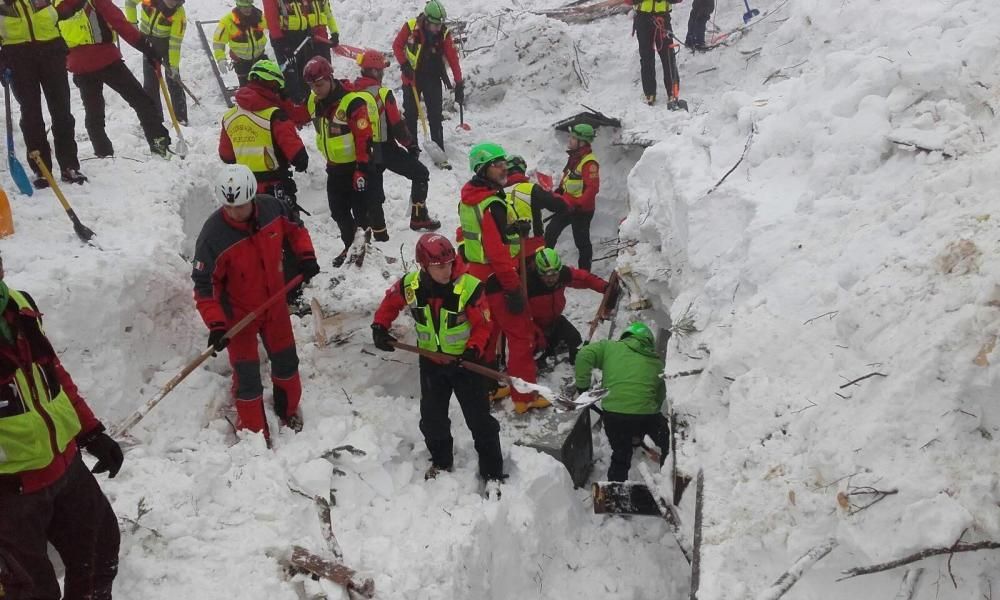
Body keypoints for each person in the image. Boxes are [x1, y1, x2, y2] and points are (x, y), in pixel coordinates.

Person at [0, 251, 124, 599]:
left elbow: (53, 374)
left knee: (100, 553)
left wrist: (91, 431)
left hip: (66, 468)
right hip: (12, 494)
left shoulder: (19, 305)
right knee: (32, 591)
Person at [191, 164, 320, 439]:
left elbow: (296, 230)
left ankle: (288, 411)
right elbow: (204, 287)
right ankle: (253, 432)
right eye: (229, 207)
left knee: (286, 362)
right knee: (247, 377)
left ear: (252, 197)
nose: (236, 212)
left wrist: (306, 256)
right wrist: (216, 324)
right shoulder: (212, 237)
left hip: (273, 303)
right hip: (238, 316)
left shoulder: (273, 208)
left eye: (241, 206)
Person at [371, 234, 504, 484]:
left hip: (466, 365)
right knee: (432, 419)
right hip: (431, 363)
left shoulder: (470, 287)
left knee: (480, 421)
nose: (447, 270)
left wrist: (473, 350)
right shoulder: (411, 285)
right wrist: (379, 326)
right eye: (439, 266)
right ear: (424, 266)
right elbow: (391, 302)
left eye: (450, 264)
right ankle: (441, 461)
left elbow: (484, 325)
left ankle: (493, 472)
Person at [459, 142, 549, 414]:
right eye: (497, 164)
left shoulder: (470, 197)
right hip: (499, 279)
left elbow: (480, 238)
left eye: (503, 163)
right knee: (521, 337)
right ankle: (524, 396)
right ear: (483, 169)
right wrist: (512, 288)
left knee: (489, 334)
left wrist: (512, 229)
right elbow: (497, 252)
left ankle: (487, 388)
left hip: (478, 279)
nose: (504, 168)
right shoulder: (492, 204)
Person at [219, 59, 309, 304]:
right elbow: (299, 157)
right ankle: (293, 296)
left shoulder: (230, 117)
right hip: (274, 190)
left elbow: (226, 155)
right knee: (288, 239)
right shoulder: (274, 116)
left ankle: (255, 290)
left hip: (243, 195)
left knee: (250, 243)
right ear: (273, 85)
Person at [57, 0, 171, 159]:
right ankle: (160, 145)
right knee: (140, 100)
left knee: (93, 111)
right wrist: (146, 47)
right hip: (105, 59)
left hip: (79, 65)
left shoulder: (55, 5)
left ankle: (103, 152)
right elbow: (119, 23)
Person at [303, 56, 387, 265]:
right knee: (338, 211)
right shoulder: (317, 102)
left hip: (355, 167)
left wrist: (361, 168)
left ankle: (364, 250)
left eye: (320, 85)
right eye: (312, 86)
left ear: (330, 79)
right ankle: (350, 246)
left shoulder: (352, 102)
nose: (316, 90)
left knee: (361, 213)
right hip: (334, 168)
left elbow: (363, 137)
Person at [0, 0, 87, 187]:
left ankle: (69, 165)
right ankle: (41, 169)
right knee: (31, 114)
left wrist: (59, 12)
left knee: (62, 110)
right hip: (17, 56)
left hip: (51, 50)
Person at [352, 49, 441, 232]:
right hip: (385, 148)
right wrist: (411, 145)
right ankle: (419, 217)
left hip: (363, 150)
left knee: (374, 192)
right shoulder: (383, 94)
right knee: (420, 173)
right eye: (381, 71)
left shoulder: (351, 93)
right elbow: (397, 125)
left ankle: (378, 231)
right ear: (376, 71)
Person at [575, 321, 668, 481]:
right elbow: (659, 397)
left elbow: (584, 354)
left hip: (614, 416)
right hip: (645, 415)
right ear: (648, 342)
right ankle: (668, 475)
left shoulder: (609, 348)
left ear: (626, 336)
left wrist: (582, 387)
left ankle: (614, 495)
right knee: (665, 436)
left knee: (621, 455)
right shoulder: (658, 363)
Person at [392, 0, 463, 153]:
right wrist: (404, 64)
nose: (438, 28)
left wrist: (459, 82)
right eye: (435, 25)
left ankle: (439, 148)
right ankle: (412, 148)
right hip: (412, 77)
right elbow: (397, 45)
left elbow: (453, 59)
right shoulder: (411, 27)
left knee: (435, 116)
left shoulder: (443, 34)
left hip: (432, 77)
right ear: (427, 20)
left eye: (440, 25)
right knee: (411, 114)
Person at [527, 248, 606, 369]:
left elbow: (584, 278)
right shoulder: (528, 284)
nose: (551, 279)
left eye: (554, 274)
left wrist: (604, 287)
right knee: (536, 347)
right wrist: (536, 332)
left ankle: (577, 365)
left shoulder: (563, 275)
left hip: (554, 321)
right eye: (546, 275)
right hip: (533, 325)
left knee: (574, 339)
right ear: (538, 272)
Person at [544, 124, 600, 272]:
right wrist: (560, 190)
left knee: (582, 242)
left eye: (573, 138)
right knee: (550, 232)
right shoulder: (575, 158)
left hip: (581, 210)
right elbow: (568, 176)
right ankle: (544, 264)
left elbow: (592, 189)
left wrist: (579, 205)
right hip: (567, 205)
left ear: (582, 142)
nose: (570, 140)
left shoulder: (589, 162)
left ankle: (584, 273)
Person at [125, 0, 188, 125]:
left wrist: (174, 67)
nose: (172, 3)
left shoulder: (179, 14)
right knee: (150, 84)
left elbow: (175, 44)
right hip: (147, 43)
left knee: (174, 81)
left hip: (167, 46)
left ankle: (181, 118)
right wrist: (132, 22)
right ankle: (155, 119)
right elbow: (130, 2)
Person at [263, 0, 339, 102]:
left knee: (306, 74)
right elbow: (271, 19)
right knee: (292, 77)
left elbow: (305, 12)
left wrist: (333, 32)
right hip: (285, 38)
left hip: (303, 36)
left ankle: (310, 103)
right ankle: (297, 105)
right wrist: (281, 42)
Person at [503, 154, 569, 257]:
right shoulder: (532, 189)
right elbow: (560, 205)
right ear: (523, 169)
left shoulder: (498, 193)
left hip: (507, 250)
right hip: (533, 248)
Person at [624, 0, 683, 108]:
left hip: (663, 18)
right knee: (646, 57)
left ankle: (673, 92)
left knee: (668, 56)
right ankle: (649, 93)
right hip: (642, 18)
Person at [213, 0, 269, 87]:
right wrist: (220, 58)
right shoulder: (228, 21)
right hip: (242, 62)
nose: (247, 9)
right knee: (247, 91)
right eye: (244, 7)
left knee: (266, 87)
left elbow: (273, 25)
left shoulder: (259, 17)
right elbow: (218, 42)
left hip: (260, 58)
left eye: (249, 6)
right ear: (238, 6)